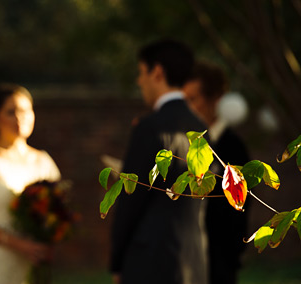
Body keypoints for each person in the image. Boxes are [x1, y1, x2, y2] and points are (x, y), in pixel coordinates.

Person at [110, 39, 209, 284]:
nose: (139, 81)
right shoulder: (202, 129)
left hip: (150, 262)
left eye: (141, 72)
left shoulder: (150, 128)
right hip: (195, 259)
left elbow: (131, 199)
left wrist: (117, 262)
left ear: (157, 72)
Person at [0, 84, 61, 283]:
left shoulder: (44, 162)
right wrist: (16, 243)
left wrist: (47, 243)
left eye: (25, 111)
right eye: (11, 112)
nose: (20, 118)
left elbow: (55, 212)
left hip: (31, 264)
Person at [182, 61, 249, 284]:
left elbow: (238, 209)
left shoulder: (233, 148)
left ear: (216, 100)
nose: (187, 108)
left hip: (217, 261)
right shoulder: (183, 145)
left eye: (193, 99)